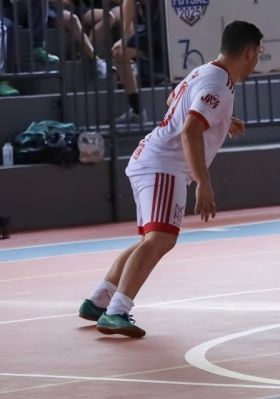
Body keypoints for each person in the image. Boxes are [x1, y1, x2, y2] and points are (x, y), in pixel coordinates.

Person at [77, 20, 263, 338]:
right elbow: (190, 130)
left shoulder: (205, 71)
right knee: (160, 239)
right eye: (258, 52)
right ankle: (116, 311)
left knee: (151, 239)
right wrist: (204, 183)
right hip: (163, 166)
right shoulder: (219, 85)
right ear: (249, 52)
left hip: (152, 160)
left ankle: (98, 301)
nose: (257, 59)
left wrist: (221, 118)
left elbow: (173, 101)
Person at [113, 0, 173, 125]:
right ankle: (137, 111)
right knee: (119, 52)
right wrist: (124, 35)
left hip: (173, 26)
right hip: (151, 26)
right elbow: (128, 0)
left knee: (178, 74)